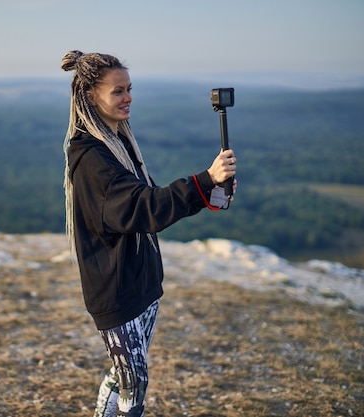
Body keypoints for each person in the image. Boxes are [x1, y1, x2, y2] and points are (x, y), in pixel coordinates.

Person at [61, 50, 237, 417]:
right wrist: (204, 180)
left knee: (122, 377)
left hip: (140, 284)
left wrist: (208, 195)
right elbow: (143, 207)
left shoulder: (117, 141)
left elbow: (150, 202)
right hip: (116, 291)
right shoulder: (93, 160)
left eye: (129, 89)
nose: (127, 98)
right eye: (117, 91)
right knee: (133, 388)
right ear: (91, 98)